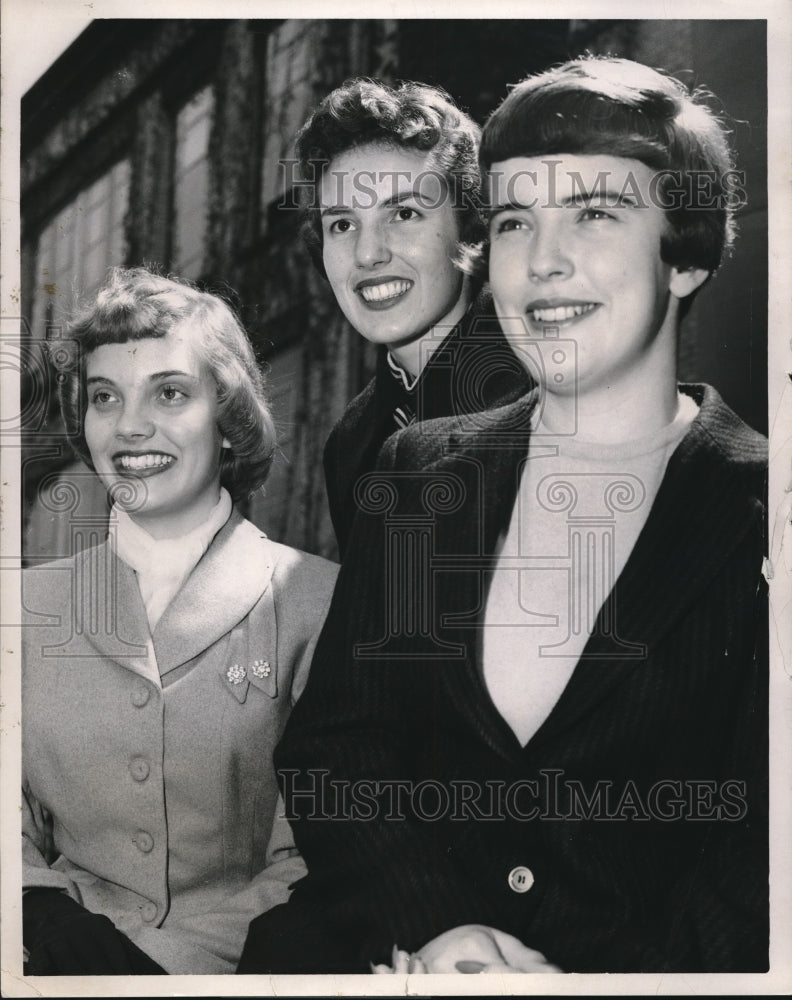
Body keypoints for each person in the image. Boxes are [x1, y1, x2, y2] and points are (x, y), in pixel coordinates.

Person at [238, 57, 768, 974]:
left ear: (685, 254)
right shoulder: (398, 460)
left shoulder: (758, 505)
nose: (545, 259)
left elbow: (760, 846)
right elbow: (349, 742)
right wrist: (438, 927)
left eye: (595, 214)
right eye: (519, 219)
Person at [21, 267, 338, 975]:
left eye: (169, 393)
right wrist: (34, 912)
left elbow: (320, 854)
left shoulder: (320, 604)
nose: (131, 426)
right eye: (106, 398)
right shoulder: (22, 612)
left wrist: (167, 969)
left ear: (227, 424)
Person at [295, 78, 531, 556]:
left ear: (468, 226)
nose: (367, 254)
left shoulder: (544, 384)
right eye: (342, 224)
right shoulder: (351, 441)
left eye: (403, 214)